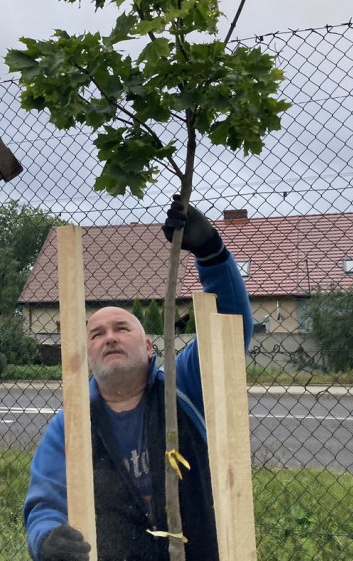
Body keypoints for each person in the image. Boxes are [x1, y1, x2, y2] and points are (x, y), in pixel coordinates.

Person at [23, 198, 254, 561]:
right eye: (96, 334)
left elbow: (229, 330)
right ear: (87, 356)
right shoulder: (71, 425)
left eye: (121, 328)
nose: (109, 337)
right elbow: (46, 501)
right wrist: (48, 539)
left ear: (149, 346)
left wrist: (212, 253)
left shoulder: (183, 387)